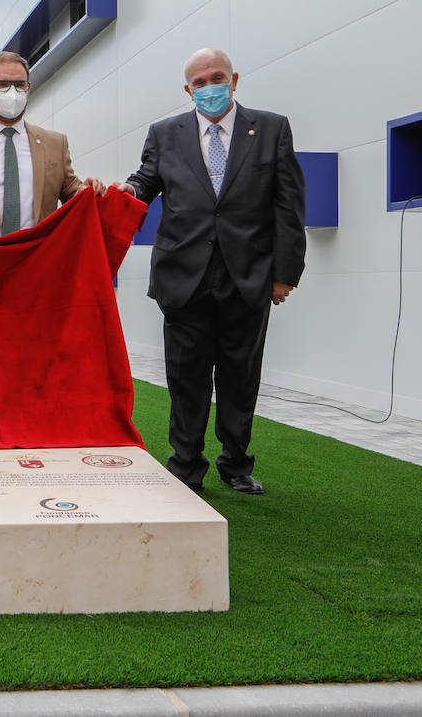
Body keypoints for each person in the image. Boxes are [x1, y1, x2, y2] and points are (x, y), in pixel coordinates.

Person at [115, 47, 306, 496]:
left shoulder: (272, 128)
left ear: (234, 79)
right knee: (186, 377)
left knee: (241, 376)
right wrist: (127, 190)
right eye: (198, 83)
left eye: (216, 78)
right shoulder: (165, 134)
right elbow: (146, 180)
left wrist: (285, 274)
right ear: (188, 90)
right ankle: (186, 466)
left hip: (249, 275)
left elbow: (289, 205)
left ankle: (236, 464)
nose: (208, 88)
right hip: (183, 276)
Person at [0, 51, 104, 235]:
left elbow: (72, 194)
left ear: (28, 88)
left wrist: (86, 190)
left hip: (38, 258)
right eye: (2, 85)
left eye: (19, 85)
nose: (12, 92)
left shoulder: (56, 143)